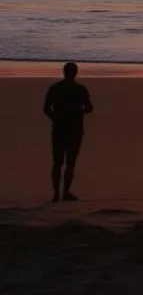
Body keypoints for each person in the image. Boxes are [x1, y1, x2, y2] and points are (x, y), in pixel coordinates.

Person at [43, 62, 93, 202]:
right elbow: (89, 108)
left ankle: (55, 193)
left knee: (57, 162)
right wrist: (78, 112)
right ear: (75, 73)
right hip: (75, 129)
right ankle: (65, 192)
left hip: (59, 128)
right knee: (70, 163)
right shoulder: (80, 89)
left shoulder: (55, 88)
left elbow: (46, 108)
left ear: (64, 72)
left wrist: (55, 118)